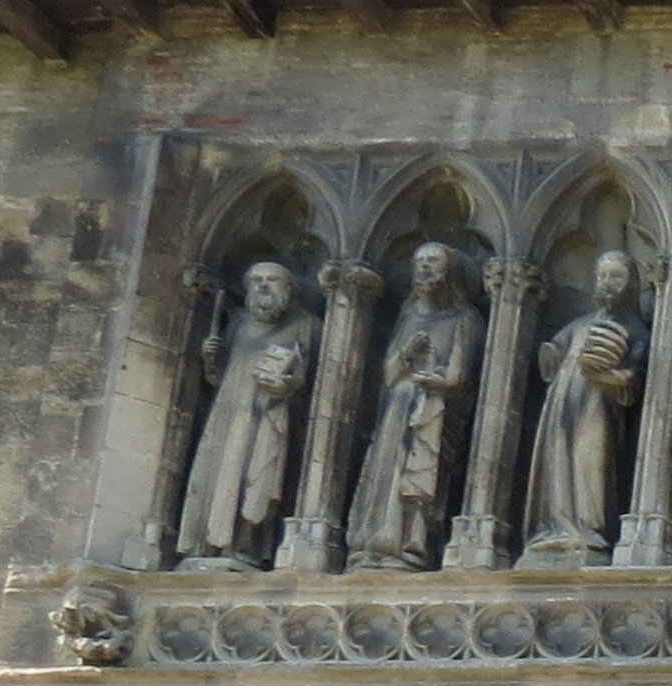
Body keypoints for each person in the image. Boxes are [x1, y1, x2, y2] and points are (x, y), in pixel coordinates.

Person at [343, 243, 482, 570]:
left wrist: (431, 378)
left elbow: (461, 378)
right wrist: (407, 353)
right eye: (419, 262)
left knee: (418, 479)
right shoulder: (409, 316)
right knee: (387, 474)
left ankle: (412, 544)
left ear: (452, 271)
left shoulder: (465, 319)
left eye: (432, 261)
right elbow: (390, 374)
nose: (424, 268)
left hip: (433, 413)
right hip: (397, 410)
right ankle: (375, 543)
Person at [173, 260, 318, 568]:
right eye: (256, 281)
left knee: (257, 477)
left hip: (269, 415)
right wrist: (211, 358)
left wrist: (285, 385)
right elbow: (217, 379)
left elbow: (312, 385)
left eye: (272, 280)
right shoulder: (237, 323)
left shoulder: (306, 326)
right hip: (227, 414)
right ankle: (207, 544)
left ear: (290, 290)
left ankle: (246, 547)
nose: (264, 286)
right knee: (218, 473)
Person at [521, 249, 650, 559]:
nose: (607, 283)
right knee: (558, 459)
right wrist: (550, 354)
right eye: (603, 276)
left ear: (631, 285)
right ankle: (555, 526)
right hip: (562, 403)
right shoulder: (579, 325)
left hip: (598, 407)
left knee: (589, 460)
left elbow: (633, 378)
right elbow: (551, 360)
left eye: (616, 277)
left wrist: (604, 374)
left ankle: (589, 528)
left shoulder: (635, 331)